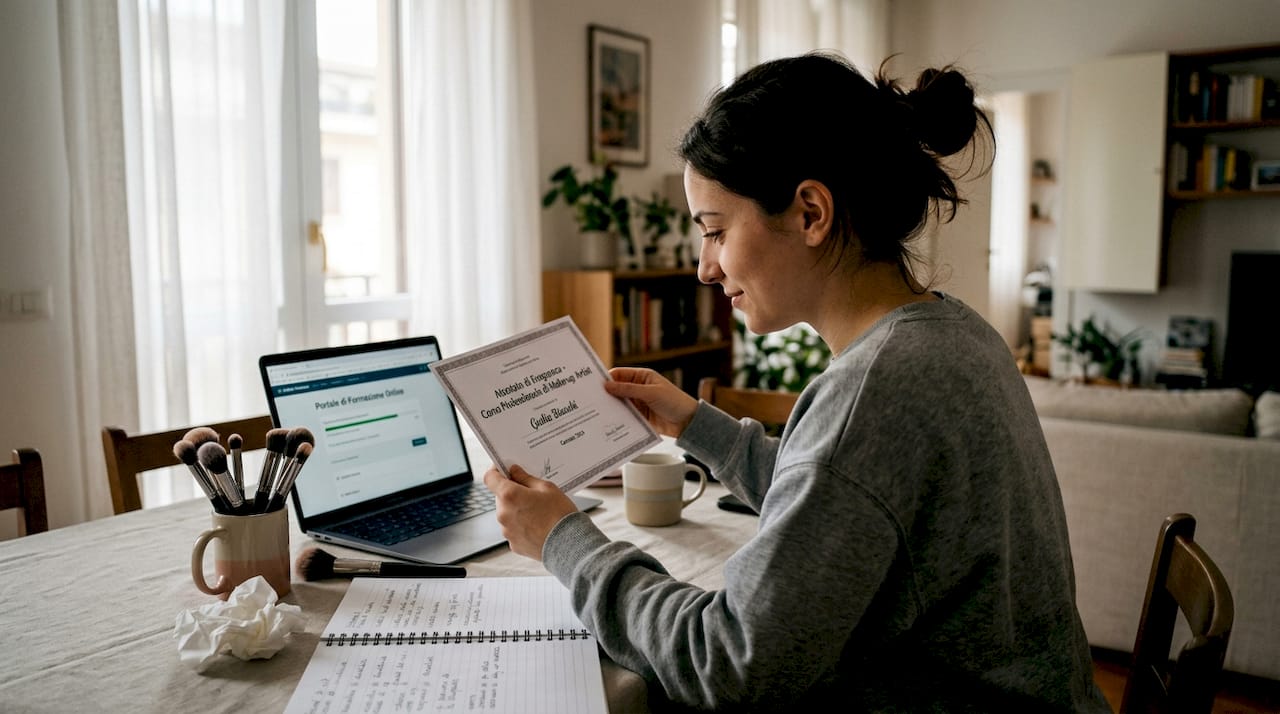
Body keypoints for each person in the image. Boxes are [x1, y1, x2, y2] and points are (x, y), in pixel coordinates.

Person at [484, 51, 1111, 712]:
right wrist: (698, 426)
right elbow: (849, 495)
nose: (705, 267)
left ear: (812, 212)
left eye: (716, 231)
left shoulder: (878, 389)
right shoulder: (954, 333)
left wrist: (566, 541)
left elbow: (727, 664)